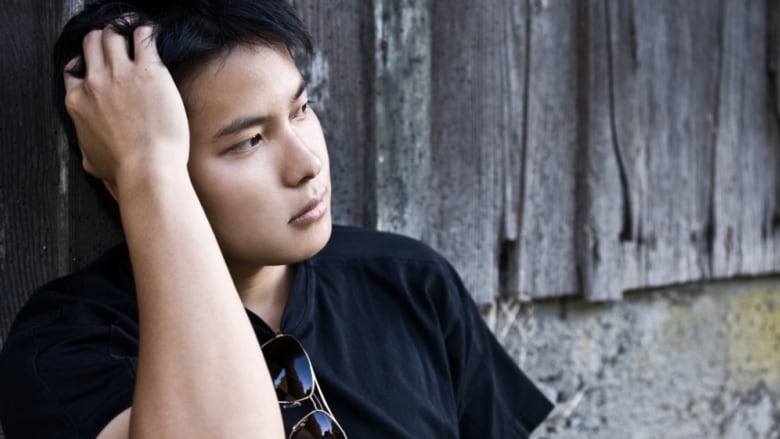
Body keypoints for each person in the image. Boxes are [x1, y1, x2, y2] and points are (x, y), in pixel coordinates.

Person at [0, 1, 553, 438]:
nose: (307, 164)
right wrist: (147, 169)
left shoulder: (408, 282)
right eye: (248, 141)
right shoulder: (69, 348)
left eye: (301, 109)